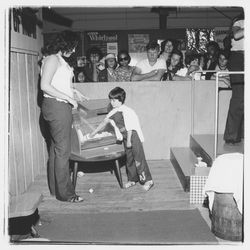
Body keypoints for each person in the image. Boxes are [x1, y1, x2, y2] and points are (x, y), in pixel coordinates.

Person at [40, 30, 87, 202]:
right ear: (65, 44)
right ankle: (66, 194)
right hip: (57, 107)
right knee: (63, 151)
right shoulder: (52, 59)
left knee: (56, 149)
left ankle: (56, 189)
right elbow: (45, 85)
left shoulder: (59, 60)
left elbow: (57, 83)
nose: (74, 51)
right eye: (73, 47)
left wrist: (74, 91)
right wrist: (68, 98)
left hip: (58, 106)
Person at [90, 87, 154, 191]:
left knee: (138, 159)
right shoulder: (113, 112)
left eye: (114, 100)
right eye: (110, 100)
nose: (112, 102)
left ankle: (148, 181)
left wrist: (129, 141)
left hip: (133, 137)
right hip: (125, 138)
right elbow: (104, 122)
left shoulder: (127, 111)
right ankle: (132, 179)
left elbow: (130, 127)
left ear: (121, 99)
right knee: (129, 160)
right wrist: (93, 133)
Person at [224, 12, 244, 144]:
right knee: (239, 98)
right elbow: (237, 35)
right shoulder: (239, 23)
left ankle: (241, 133)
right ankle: (231, 136)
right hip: (238, 58)